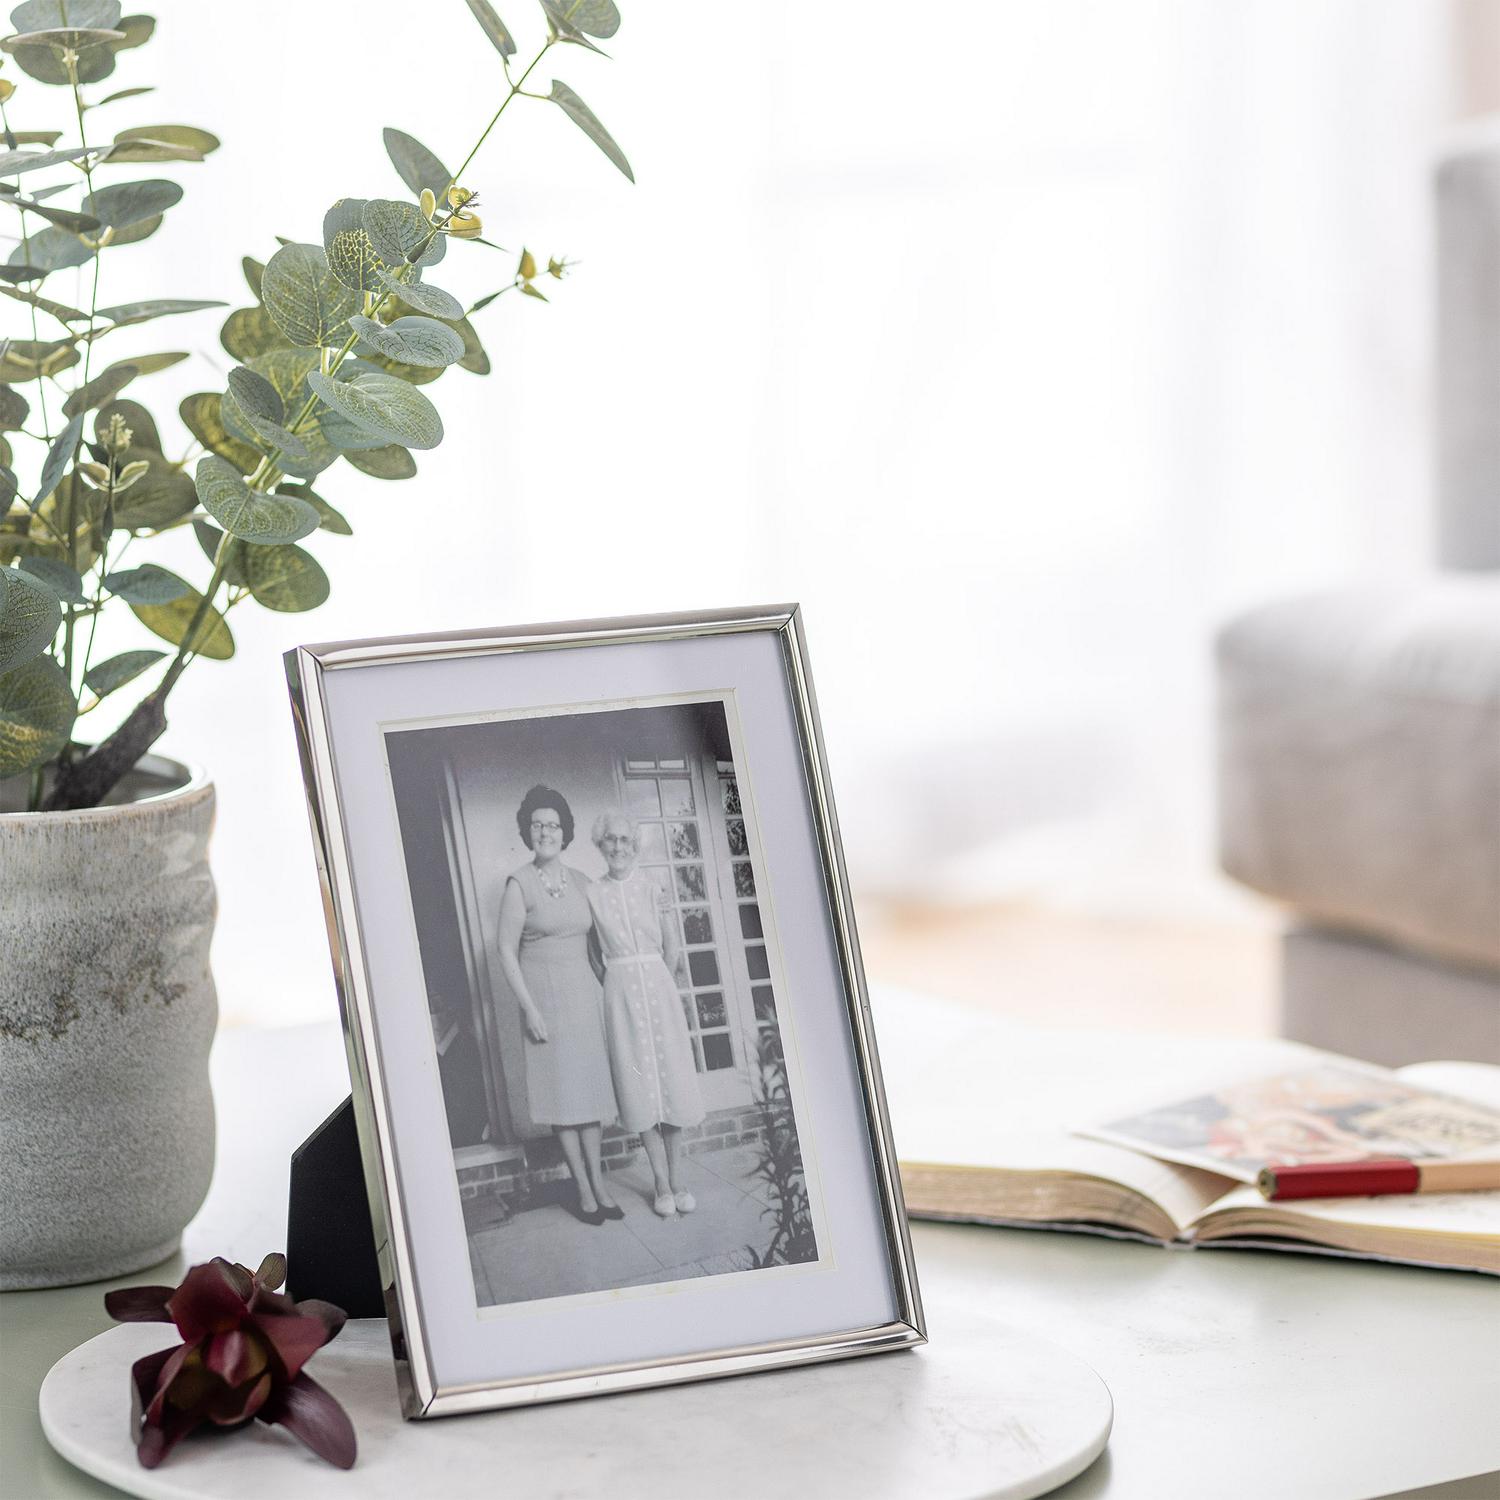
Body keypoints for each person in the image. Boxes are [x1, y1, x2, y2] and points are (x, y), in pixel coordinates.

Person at [495, 785, 621, 1226]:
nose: (545, 832)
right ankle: (583, 1189)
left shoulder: (584, 882)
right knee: (562, 1096)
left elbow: (603, 944)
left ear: (565, 832)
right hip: (543, 1002)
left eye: (553, 825)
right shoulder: (519, 884)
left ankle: (599, 1184)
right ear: (528, 832)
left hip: (582, 998)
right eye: (537, 825)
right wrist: (529, 1009)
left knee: (588, 1092)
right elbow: (505, 950)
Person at [586, 810, 706, 1217]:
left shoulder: (654, 888)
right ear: (600, 845)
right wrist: (615, 983)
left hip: (658, 989)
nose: (618, 846)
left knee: (671, 1081)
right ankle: (659, 1182)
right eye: (610, 839)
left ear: (635, 845)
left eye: (625, 839)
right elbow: (592, 953)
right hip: (620, 994)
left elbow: (672, 946)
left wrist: (660, 982)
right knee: (637, 1087)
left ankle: (678, 1178)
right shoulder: (592, 894)